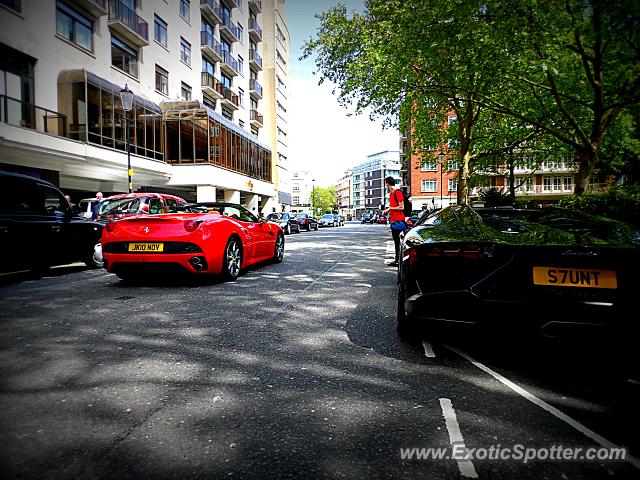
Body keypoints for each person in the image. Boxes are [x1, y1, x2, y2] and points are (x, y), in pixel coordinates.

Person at [382, 176, 405, 267]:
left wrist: (390, 208)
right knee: (396, 242)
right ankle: (397, 260)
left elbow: (402, 207)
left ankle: (398, 261)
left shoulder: (397, 193)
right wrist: (388, 211)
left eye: (385, 184)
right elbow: (395, 208)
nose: (385, 186)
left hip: (399, 222)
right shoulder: (391, 195)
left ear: (387, 184)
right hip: (394, 221)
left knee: (398, 242)